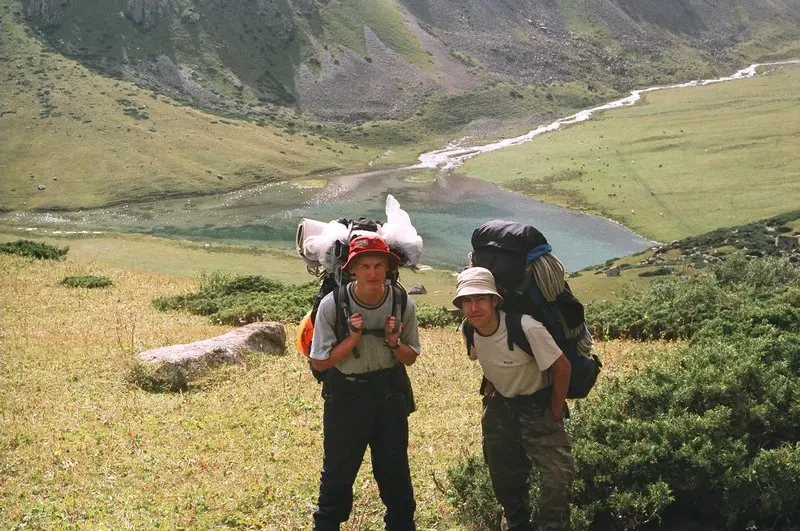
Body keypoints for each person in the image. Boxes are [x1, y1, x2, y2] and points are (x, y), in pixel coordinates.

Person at [310, 234, 420, 531]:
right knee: (337, 476)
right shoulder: (333, 304)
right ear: (352, 270)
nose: (372, 273)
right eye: (365, 266)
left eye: (378, 265)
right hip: (347, 396)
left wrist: (394, 343)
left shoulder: (401, 302)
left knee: (395, 474)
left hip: (389, 395)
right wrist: (352, 340)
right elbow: (319, 361)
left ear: (388, 268)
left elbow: (410, 357)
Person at [453, 267, 575, 531]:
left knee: (556, 478)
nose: (473, 308)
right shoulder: (470, 329)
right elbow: (486, 358)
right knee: (504, 478)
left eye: (480, 299)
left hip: (538, 405)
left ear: (495, 300)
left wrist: (555, 411)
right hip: (501, 408)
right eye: (467, 301)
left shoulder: (525, 328)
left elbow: (562, 367)